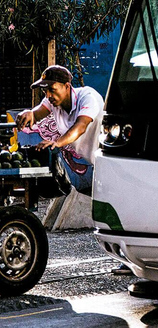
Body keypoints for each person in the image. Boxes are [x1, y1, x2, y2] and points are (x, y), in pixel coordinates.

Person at [15, 65, 130, 275]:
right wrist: (28, 114)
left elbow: (80, 126)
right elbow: (38, 113)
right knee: (106, 214)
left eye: (52, 90)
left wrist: (57, 142)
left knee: (117, 211)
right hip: (90, 166)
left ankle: (130, 260)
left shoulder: (88, 97)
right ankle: (126, 257)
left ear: (67, 86)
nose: (48, 96)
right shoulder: (53, 103)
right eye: (45, 91)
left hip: (112, 161)